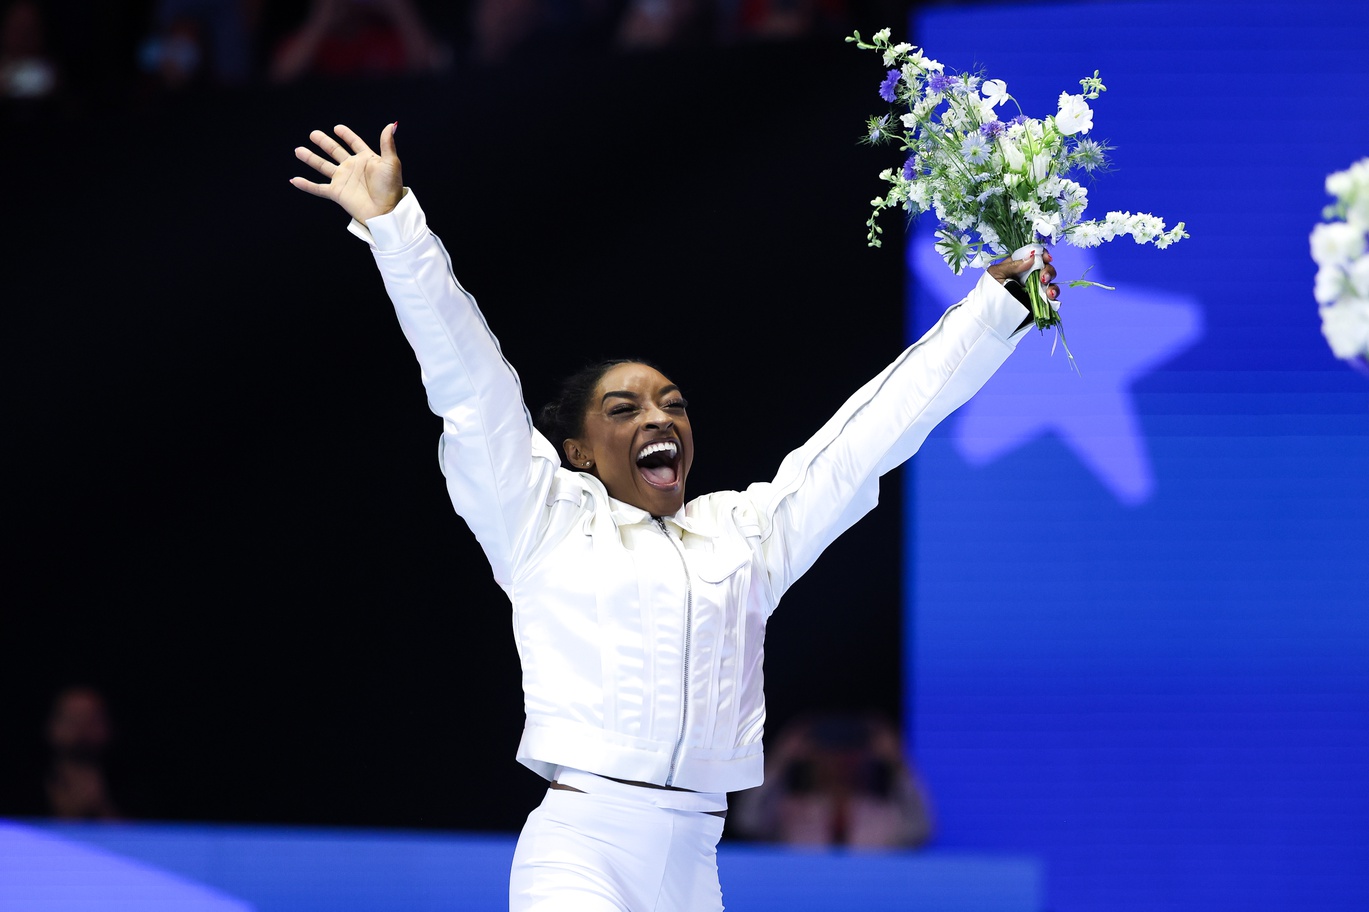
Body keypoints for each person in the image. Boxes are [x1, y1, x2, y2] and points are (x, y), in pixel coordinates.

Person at [290, 123, 1057, 912]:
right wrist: (395, 225)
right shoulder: (539, 519)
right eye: (623, 409)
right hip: (579, 851)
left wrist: (993, 309)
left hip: (694, 863)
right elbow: (466, 378)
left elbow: (866, 439)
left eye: (673, 404)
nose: (658, 417)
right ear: (579, 451)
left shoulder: (745, 534)